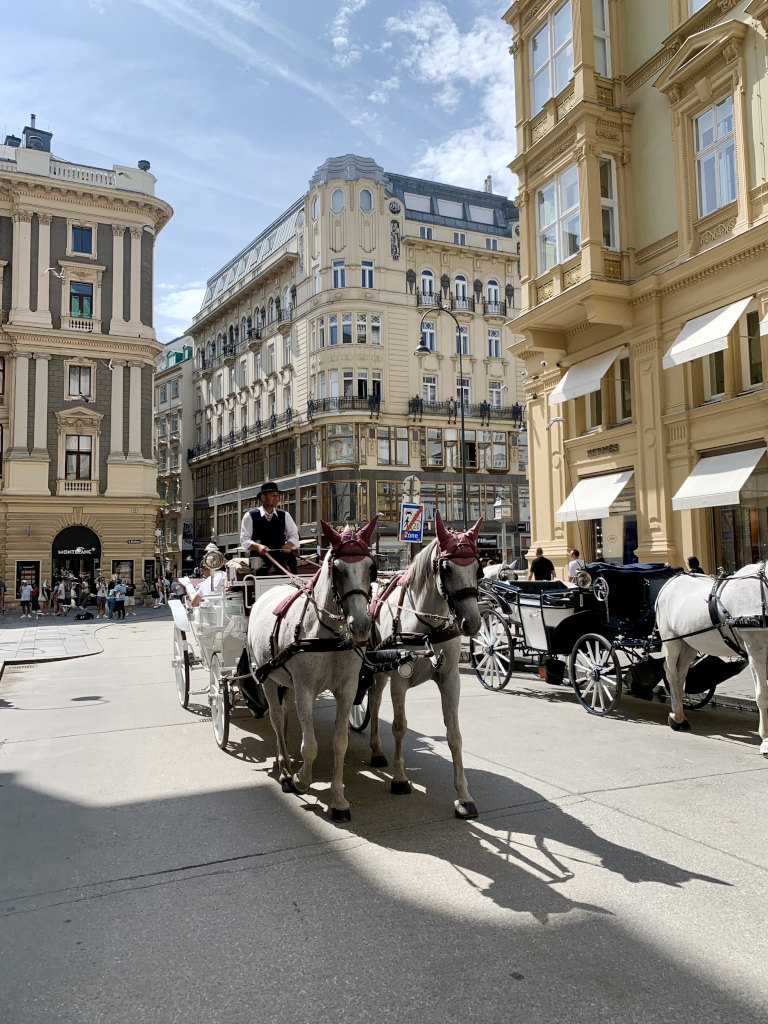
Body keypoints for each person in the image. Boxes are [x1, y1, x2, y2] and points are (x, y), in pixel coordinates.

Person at [239, 481, 299, 575]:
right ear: (263, 497)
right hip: (259, 560)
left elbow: (294, 536)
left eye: (277, 495)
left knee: (292, 569)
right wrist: (258, 546)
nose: (277, 498)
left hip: (282, 558)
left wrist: (289, 545)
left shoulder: (285, 515)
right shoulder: (250, 516)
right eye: (273, 495)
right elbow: (244, 540)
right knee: (259, 571)